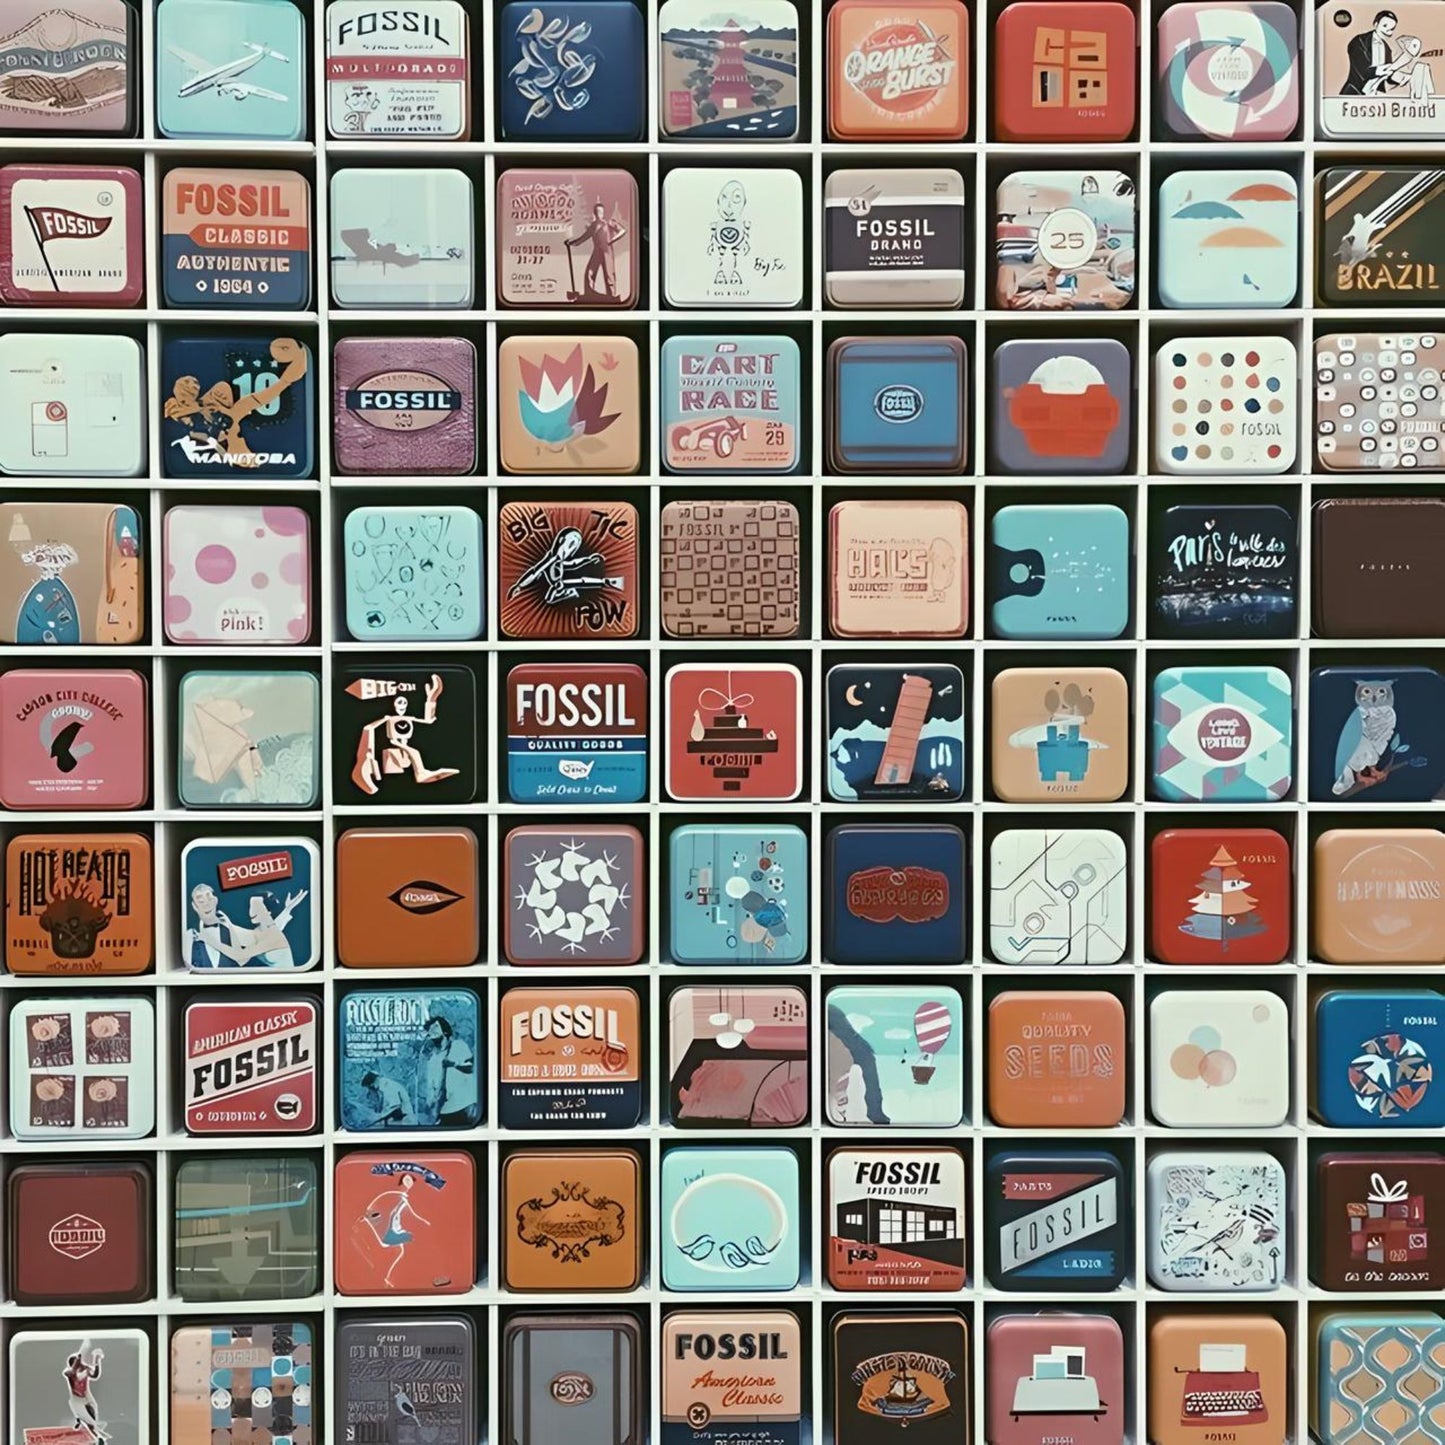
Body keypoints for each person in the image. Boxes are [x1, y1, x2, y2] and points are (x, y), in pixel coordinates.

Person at [417, 1015, 476, 1126]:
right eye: (430, 1029)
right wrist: (431, 1104)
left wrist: (452, 1064)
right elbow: (434, 1087)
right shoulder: (433, 1058)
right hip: (446, 1109)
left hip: (464, 1104)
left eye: (435, 1027)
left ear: (445, 1031)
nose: (432, 1030)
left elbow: (471, 1068)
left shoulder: (458, 1045)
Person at [565, 201, 626, 301]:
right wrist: (571, 243)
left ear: (603, 213)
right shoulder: (593, 225)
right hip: (597, 251)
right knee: (590, 272)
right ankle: (589, 293)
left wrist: (612, 240)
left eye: (601, 212)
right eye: (597, 212)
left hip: (607, 251)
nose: (599, 214)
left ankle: (612, 296)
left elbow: (622, 230)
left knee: (609, 274)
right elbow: (583, 238)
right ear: (595, 213)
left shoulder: (609, 222)